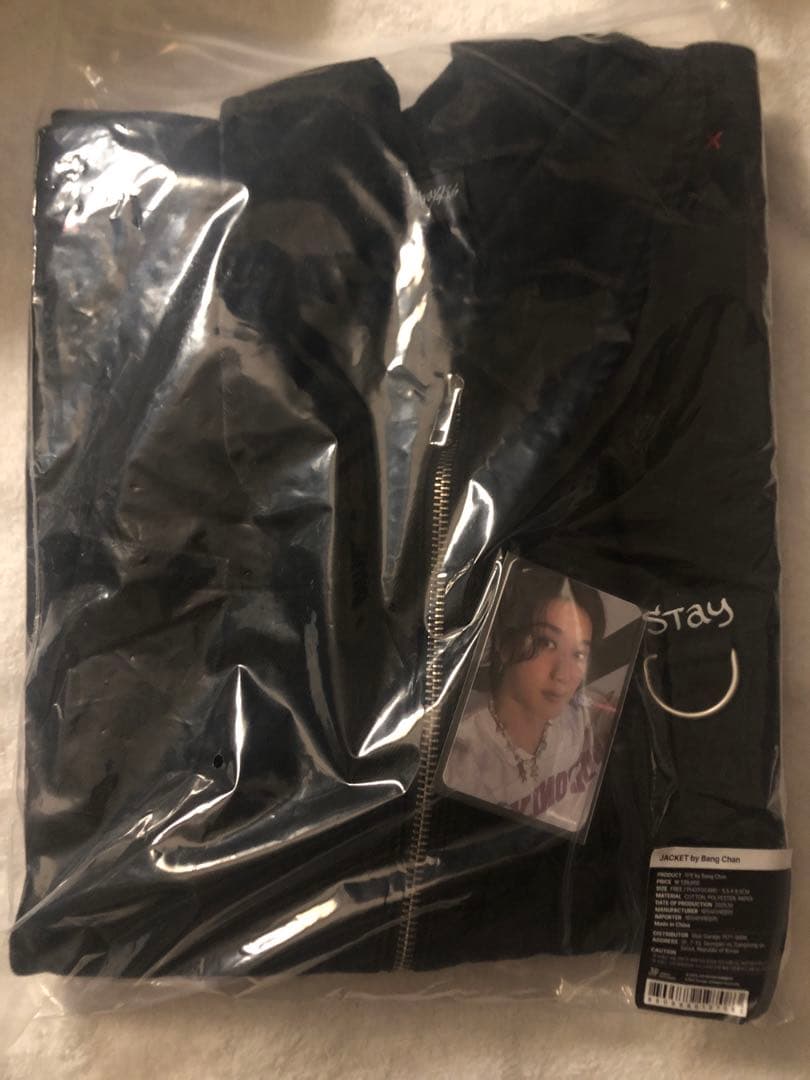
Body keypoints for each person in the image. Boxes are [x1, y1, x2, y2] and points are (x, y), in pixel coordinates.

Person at [442, 563, 608, 832]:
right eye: (546, 643)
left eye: (579, 654)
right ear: (504, 644)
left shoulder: (577, 720)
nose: (563, 675)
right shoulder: (460, 755)